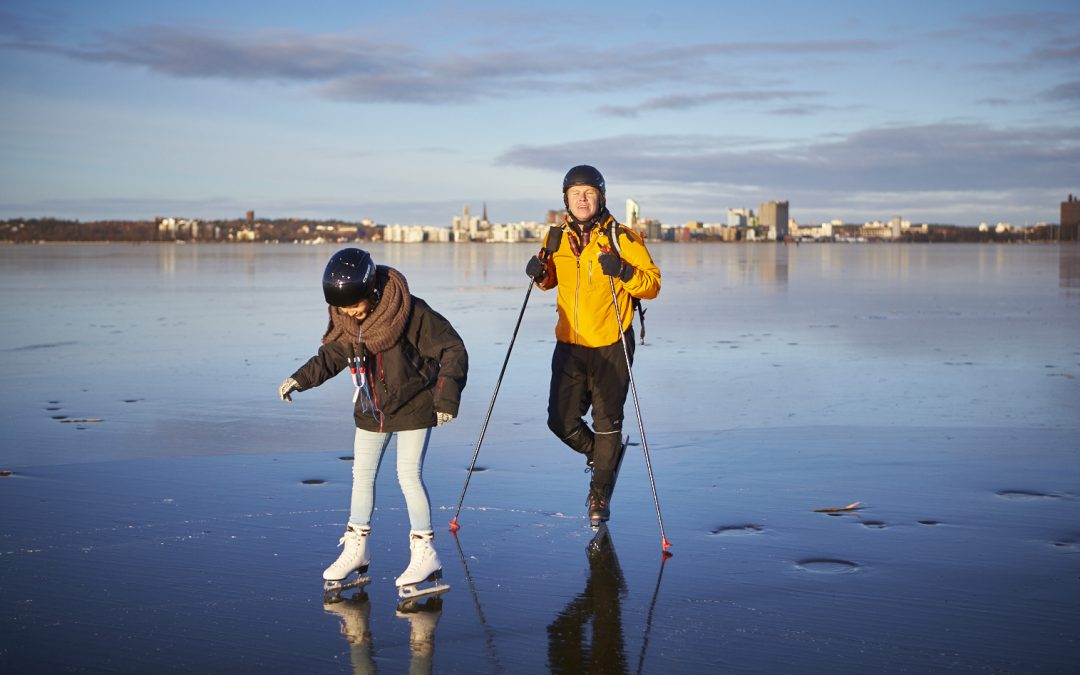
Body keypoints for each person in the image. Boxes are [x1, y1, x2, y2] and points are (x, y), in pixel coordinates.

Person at [279, 248, 468, 599]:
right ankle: (357, 549)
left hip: (414, 403)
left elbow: (453, 350)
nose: (348, 313)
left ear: (372, 292)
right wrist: (300, 379)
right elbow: (333, 355)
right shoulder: (348, 321)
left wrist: (445, 398)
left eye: (353, 305)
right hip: (371, 406)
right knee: (361, 475)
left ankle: (425, 553)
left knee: (408, 476)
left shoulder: (410, 312)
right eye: (342, 308)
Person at [525, 165, 661, 527]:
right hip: (570, 343)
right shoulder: (555, 237)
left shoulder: (623, 238)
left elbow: (651, 285)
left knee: (607, 421)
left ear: (600, 196)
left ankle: (599, 492)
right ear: (566, 199)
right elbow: (550, 278)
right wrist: (540, 275)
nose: (582, 199)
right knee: (560, 421)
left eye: (588, 192)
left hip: (611, 340)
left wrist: (623, 271)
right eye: (575, 193)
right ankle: (604, 456)